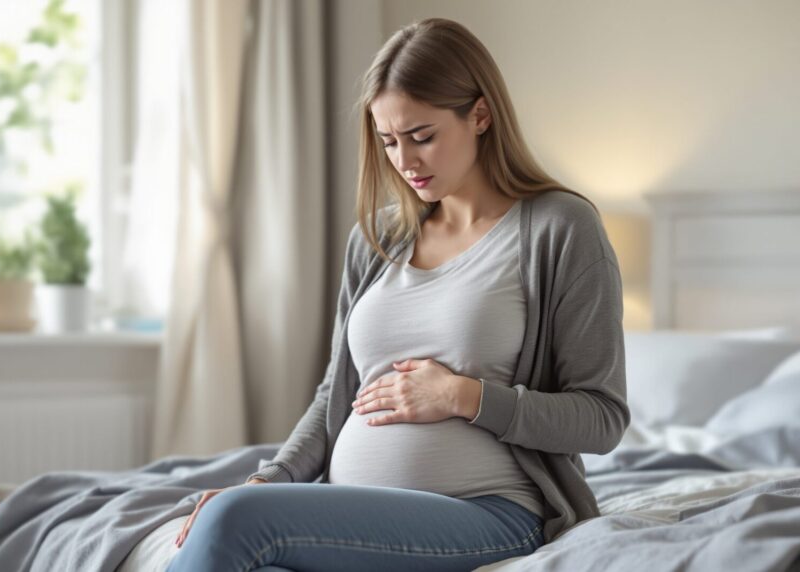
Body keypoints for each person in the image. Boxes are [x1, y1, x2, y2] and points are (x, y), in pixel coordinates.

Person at [169, 16, 629, 572]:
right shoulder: (376, 237)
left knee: (235, 523)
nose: (405, 161)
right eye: (388, 141)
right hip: (355, 509)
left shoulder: (560, 227)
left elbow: (601, 418)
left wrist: (464, 396)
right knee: (242, 527)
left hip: (491, 513)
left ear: (480, 115)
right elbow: (334, 394)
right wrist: (269, 480)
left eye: (423, 136)